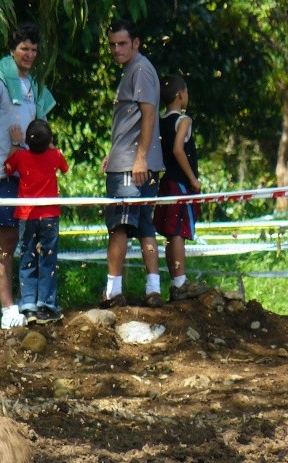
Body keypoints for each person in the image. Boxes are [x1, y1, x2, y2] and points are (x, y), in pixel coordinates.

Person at [0, 22, 56, 329]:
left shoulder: (35, 84)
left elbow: (42, 130)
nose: (30, 55)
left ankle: (32, 303)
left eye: (34, 50)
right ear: (12, 49)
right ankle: (8, 310)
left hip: (29, 176)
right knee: (6, 241)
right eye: (24, 49)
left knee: (34, 238)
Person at [100, 19, 165, 309]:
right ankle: (153, 288)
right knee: (145, 226)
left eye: (122, 43)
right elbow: (132, 121)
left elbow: (149, 115)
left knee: (120, 226)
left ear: (136, 43)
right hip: (128, 159)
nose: (116, 49)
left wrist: (138, 158)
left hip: (132, 166)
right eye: (112, 44)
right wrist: (114, 152)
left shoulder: (139, 69)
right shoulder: (135, 69)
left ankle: (113, 290)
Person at [4, 119, 68, 325]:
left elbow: (6, 168)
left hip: (27, 216)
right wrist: (51, 146)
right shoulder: (55, 155)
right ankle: (46, 306)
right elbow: (65, 167)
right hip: (49, 216)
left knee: (27, 258)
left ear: (27, 141)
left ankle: (28, 306)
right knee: (47, 259)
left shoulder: (21, 156)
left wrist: (15, 144)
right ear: (49, 139)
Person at [154, 74, 211, 302]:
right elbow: (179, 150)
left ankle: (176, 280)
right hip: (180, 184)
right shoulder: (184, 120)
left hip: (166, 182)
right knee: (178, 232)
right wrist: (193, 179)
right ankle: (180, 283)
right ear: (180, 95)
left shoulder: (159, 121)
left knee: (171, 233)